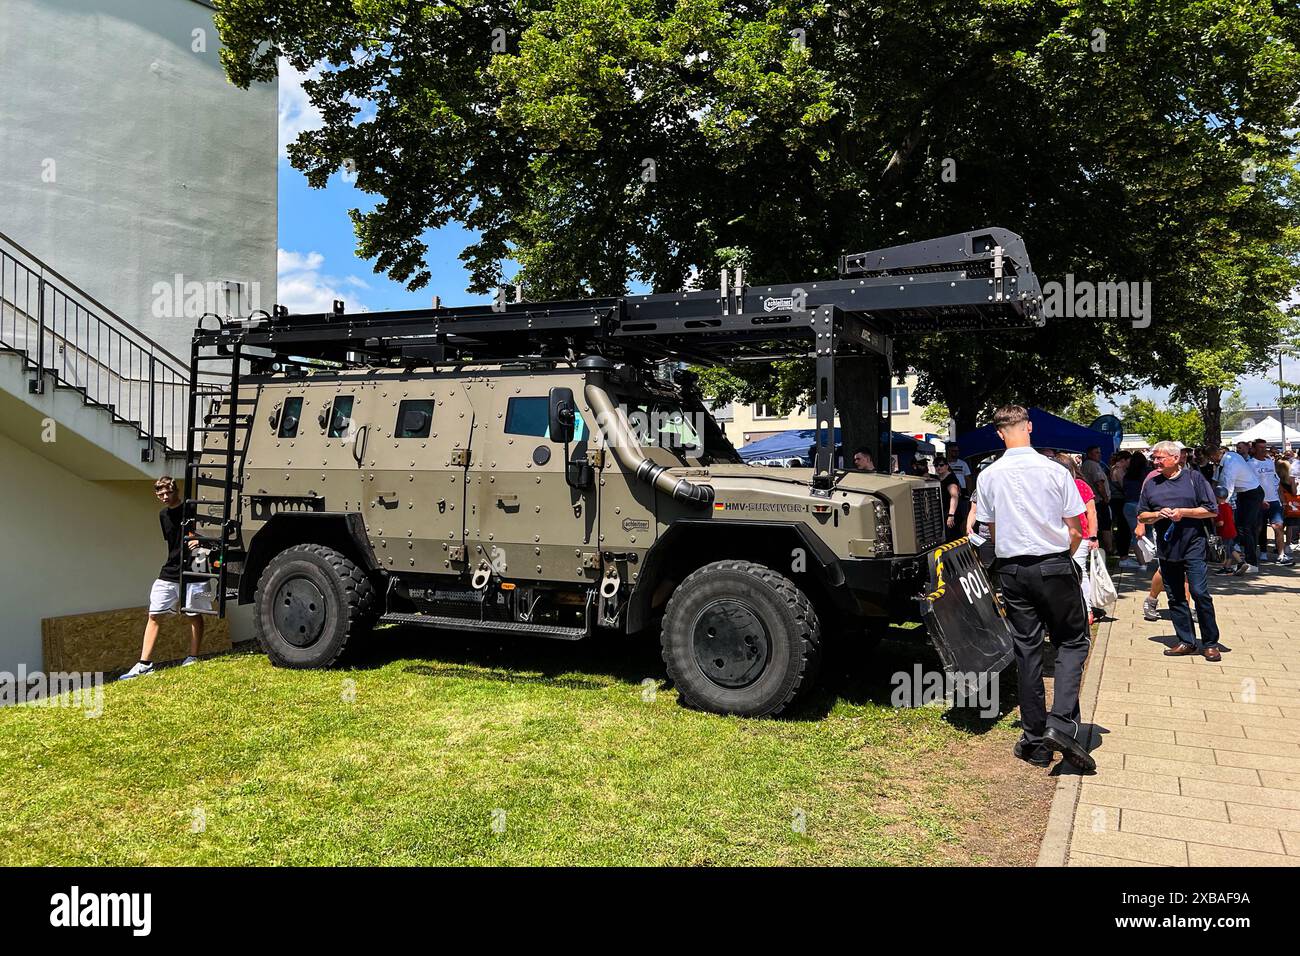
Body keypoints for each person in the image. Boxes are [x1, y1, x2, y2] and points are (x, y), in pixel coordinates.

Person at [975, 405, 1095, 772]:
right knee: (1073, 641)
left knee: (1027, 651)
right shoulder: (1055, 470)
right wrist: (1066, 557)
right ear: (1029, 427)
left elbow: (990, 531)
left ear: (999, 433)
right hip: (1054, 563)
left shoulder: (989, 476)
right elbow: (1076, 526)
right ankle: (1060, 723)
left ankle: (1034, 739)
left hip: (1013, 569)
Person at [119, 476, 212, 680]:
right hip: (170, 569)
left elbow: (211, 533)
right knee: (154, 613)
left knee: (193, 614)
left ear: (175, 490)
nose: (164, 496)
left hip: (197, 567)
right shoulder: (163, 515)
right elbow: (172, 543)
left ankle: (193, 657)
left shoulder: (192, 509)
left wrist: (200, 541)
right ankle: (145, 663)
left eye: (167, 492)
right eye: (160, 493)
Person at [1138, 440, 1222, 661]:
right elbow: (1142, 515)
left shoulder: (1194, 479)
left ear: (1175, 458)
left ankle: (1211, 643)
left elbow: (1211, 510)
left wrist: (1184, 512)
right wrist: (1157, 515)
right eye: (1153, 458)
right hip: (1167, 547)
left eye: (1159, 457)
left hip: (1193, 543)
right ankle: (1186, 641)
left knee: (1199, 592)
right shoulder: (1151, 483)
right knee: (1175, 596)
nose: (1155, 461)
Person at [1056, 453, 1099, 616]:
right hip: (1059, 535)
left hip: (1080, 535)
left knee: (1079, 571)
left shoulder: (1080, 485)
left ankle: (1086, 609)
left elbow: (1092, 512)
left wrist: (1093, 536)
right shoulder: (1053, 486)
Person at [1210, 444, 1264, 572]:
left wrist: (1221, 507)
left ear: (1214, 456)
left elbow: (1228, 487)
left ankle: (1252, 563)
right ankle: (1243, 561)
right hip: (1245, 493)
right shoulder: (1229, 457)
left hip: (1252, 493)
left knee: (1247, 528)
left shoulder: (1230, 463)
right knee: (1241, 527)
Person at [1248, 439, 1288, 564]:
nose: (1263, 450)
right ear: (1254, 449)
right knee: (1258, 529)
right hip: (1259, 502)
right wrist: (1259, 500)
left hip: (1274, 501)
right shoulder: (1250, 464)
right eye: (1260, 447)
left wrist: (1282, 499)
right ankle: (1254, 555)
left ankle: (1281, 554)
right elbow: (1250, 485)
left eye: (1265, 447)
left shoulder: (1270, 462)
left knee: (1278, 527)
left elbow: (1275, 481)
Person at [1081, 445, 1113, 555]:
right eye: (1096, 452)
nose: (1099, 455)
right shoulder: (1092, 465)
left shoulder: (1089, 465)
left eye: (1099, 452)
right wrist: (1105, 498)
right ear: (1089, 454)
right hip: (1098, 501)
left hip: (1096, 500)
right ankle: (1108, 549)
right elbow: (1099, 483)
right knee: (1104, 525)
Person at [1212, 484, 1244, 576]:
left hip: (1224, 532)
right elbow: (1232, 519)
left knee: (1226, 551)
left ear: (1216, 497)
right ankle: (1241, 563)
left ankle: (1227, 568)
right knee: (1231, 548)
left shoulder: (1218, 509)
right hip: (1232, 531)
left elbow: (1221, 523)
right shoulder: (1229, 506)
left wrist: (1214, 524)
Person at [934, 456, 968, 542]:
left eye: (941, 465)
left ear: (947, 466)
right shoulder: (938, 478)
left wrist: (951, 515)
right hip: (943, 512)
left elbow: (954, 496)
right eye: (936, 465)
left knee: (953, 537)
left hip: (951, 513)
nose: (938, 467)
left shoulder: (950, 479)